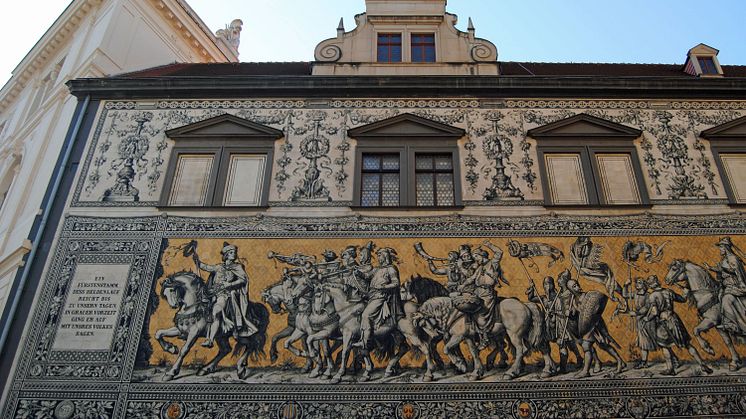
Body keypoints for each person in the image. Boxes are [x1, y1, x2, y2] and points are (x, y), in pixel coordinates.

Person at [645, 275, 712, 375]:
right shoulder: (669, 292)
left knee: (665, 346)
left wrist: (647, 318)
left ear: (651, 285)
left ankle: (670, 369)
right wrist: (686, 292)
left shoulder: (653, 296)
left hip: (663, 323)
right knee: (687, 344)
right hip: (675, 320)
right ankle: (702, 364)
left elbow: (654, 312)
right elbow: (683, 299)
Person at [195, 242, 257, 348]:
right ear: (226, 254)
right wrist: (197, 260)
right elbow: (206, 267)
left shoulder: (238, 267)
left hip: (224, 295)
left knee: (216, 312)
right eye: (232, 252)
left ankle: (210, 339)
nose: (234, 254)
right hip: (211, 294)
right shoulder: (219, 267)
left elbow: (243, 279)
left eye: (235, 252)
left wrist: (230, 284)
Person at [353, 247, 403, 349]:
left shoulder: (391, 269)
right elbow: (367, 276)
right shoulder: (376, 269)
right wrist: (358, 273)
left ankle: (365, 341)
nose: (378, 258)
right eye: (378, 256)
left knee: (366, 315)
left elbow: (396, 283)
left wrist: (384, 286)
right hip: (371, 296)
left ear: (385, 256)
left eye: (380, 255)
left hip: (381, 297)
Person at [706, 237, 746, 336]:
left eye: (721, 247)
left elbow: (736, 271)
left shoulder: (732, 258)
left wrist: (725, 269)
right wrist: (710, 268)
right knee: (719, 296)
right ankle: (725, 320)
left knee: (726, 299)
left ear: (726, 248)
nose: (720, 249)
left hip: (736, 285)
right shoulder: (725, 259)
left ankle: (733, 324)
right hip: (727, 286)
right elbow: (720, 269)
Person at [628, 278, 657, 369]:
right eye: (636, 282)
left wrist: (636, 313)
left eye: (639, 282)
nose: (637, 284)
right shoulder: (635, 294)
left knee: (645, 342)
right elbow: (625, 294)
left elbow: (646, 307)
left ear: (644, 285)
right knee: (643, 342)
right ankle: (644, 361)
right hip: (640, 320)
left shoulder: (648, 295)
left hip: (647, 321)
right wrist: (626, 285)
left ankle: (644, 362)